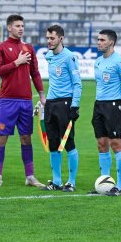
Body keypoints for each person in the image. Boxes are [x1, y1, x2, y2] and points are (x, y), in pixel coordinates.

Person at [0, 14, 46, 188]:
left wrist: (41, 93)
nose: (21, 28)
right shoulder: (0, 48)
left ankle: (30, 176)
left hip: (25, 101)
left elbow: (35, 73)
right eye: (17, 26)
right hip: (7, 100)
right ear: (9, 28)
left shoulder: (28, 48)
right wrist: (17, 62)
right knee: (1, 138)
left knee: (26, 138)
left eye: (22, 25)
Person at [91, 29, 121, 196]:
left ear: (111, 42)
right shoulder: (98, 62)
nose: (99, 42)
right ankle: (105, 183)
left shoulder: (120, 62)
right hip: (99, 105)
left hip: (114, 106)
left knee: (116, 145)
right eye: (98, 39)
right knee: (102, 145)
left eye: (102, 40)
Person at [41, 24, 82, 192]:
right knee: (53, 143)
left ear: (61, 38)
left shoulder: (70, 57)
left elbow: (77, 84)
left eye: (52, 38)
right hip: (51, 104)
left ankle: (71, 181)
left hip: (65, 104)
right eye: (48, 38)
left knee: (68, 142)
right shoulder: (49, 56)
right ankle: (56, 181)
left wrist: (75, 106)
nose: (49, 41)